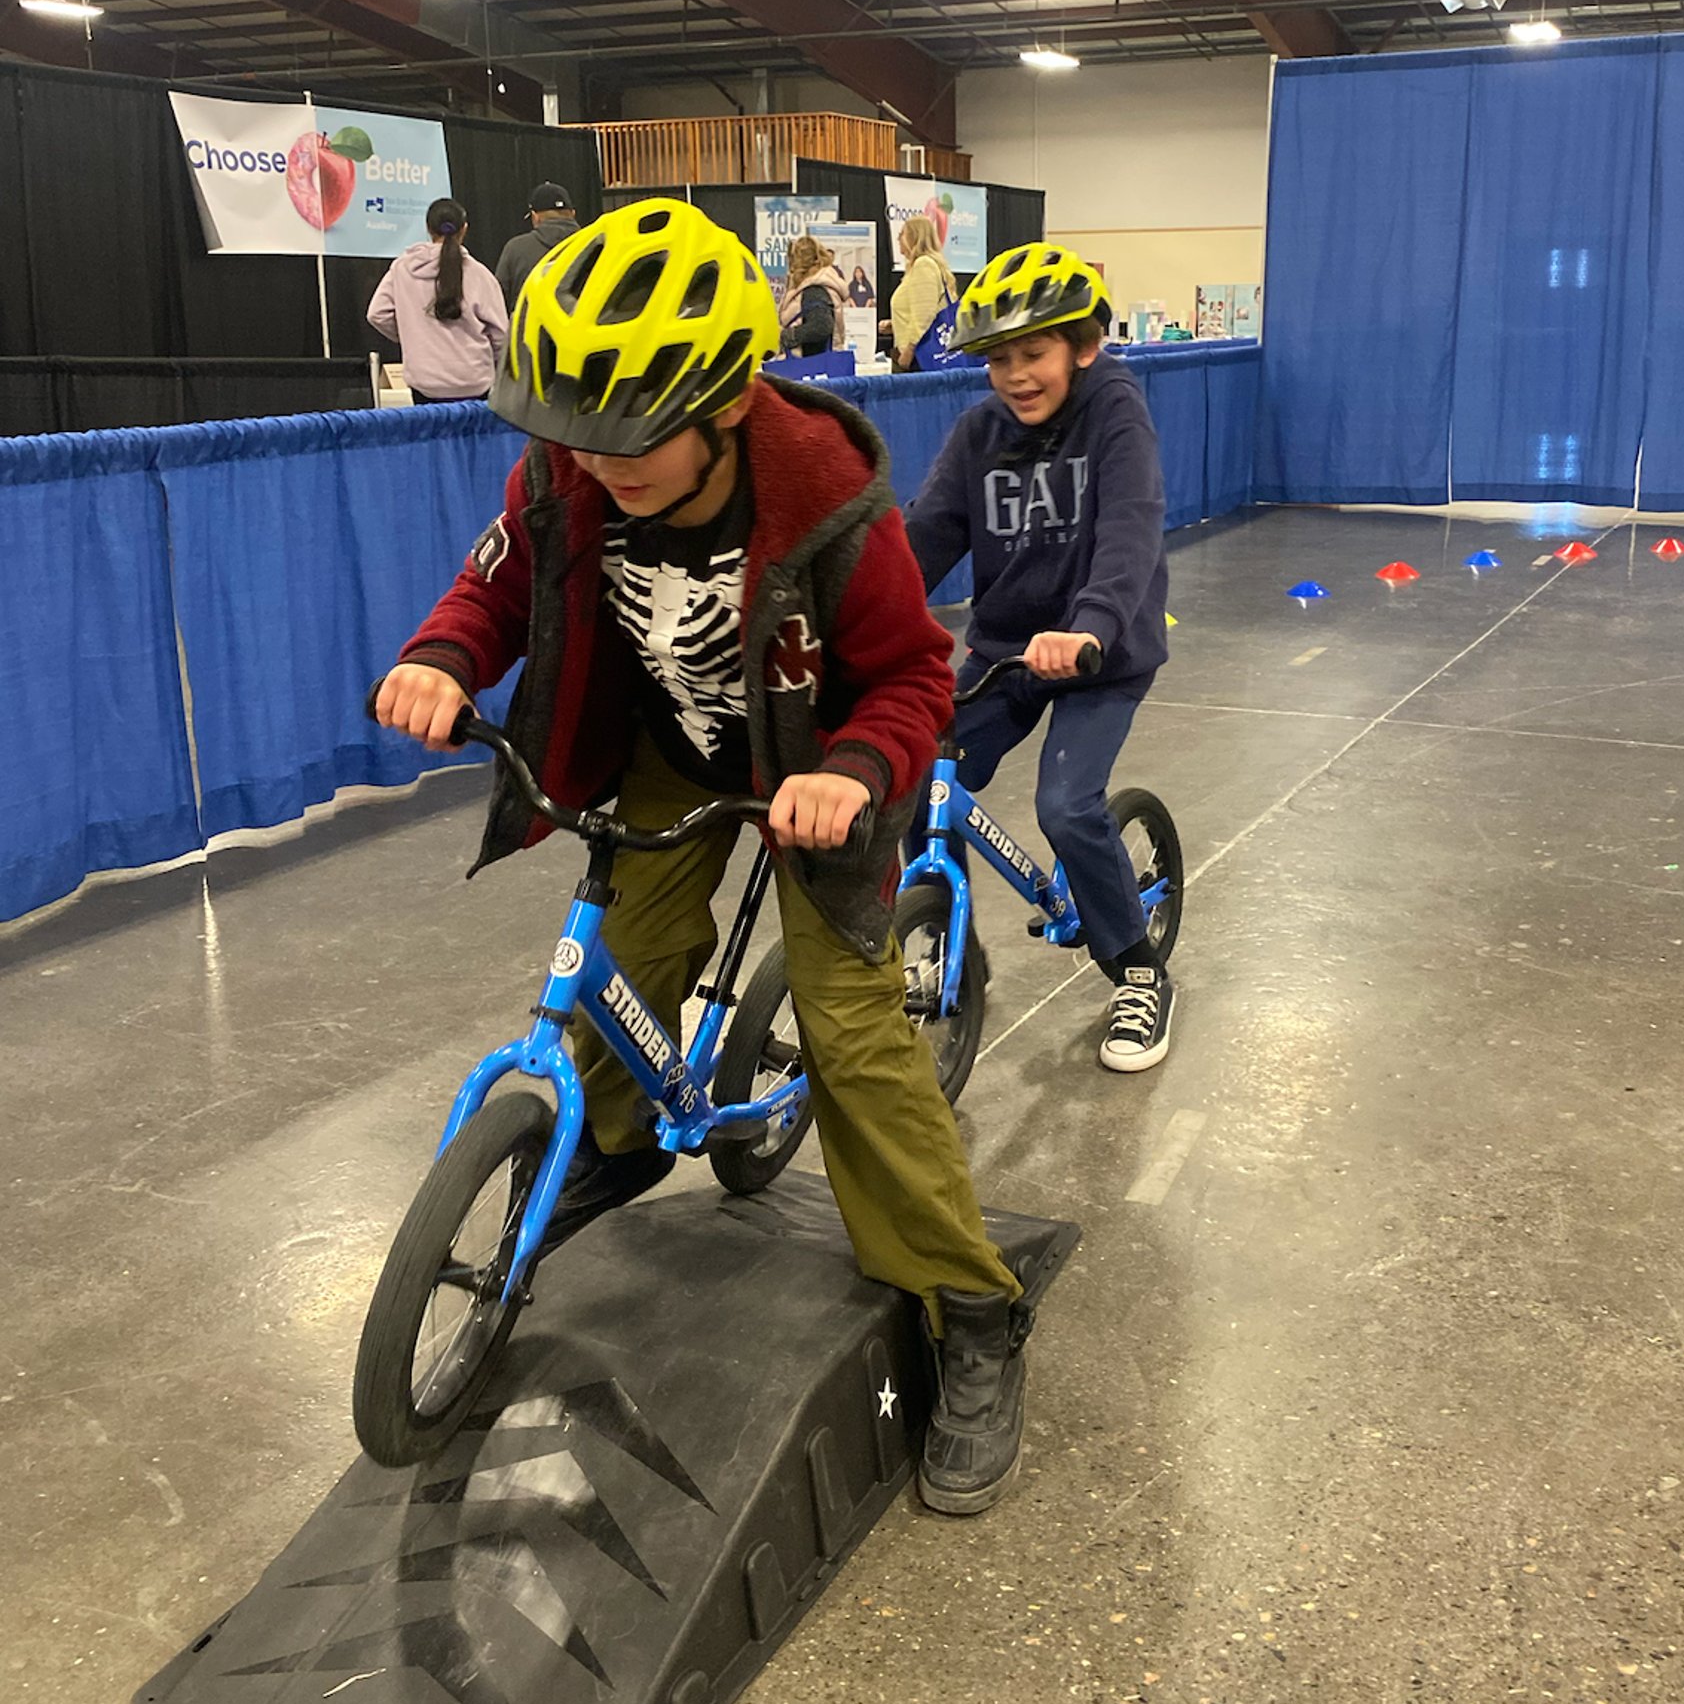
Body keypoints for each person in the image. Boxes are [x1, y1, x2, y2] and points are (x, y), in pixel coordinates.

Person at [372, 197, 1032, 1516]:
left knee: (852, 1034)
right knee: (630, 951)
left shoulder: (829, 498)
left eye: (632, 435)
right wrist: (442, 655)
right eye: (575, 430)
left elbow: (914, 675)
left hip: (822, 757)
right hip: (674, 741)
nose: (596, 459)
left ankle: (973, 1309)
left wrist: (853, 775)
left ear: (727, 402)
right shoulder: (571, 466)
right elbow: (497, 583)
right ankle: (616, 1144)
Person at [904, 243, 1175, 1075]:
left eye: (1034, 353)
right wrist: (856, 616)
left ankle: (1139, 970)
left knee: (1065, 804)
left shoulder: (1115, 412)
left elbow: (1129, 529)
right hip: (1007, 652)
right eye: (999, 360)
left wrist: (1090, 627)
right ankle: (943, 946)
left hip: (1100, 652)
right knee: (915, 776)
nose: (1016, 376)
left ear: (1082, 345)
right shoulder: (979, 432)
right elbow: (923, 536)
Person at [365, 197, 508, 402]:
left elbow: (377, 314)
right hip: (475, 384)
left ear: (428, 228)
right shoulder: (480, 275)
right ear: (464, 229)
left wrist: (411, 335)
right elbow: (501, 335)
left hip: (425, 385)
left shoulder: (402, 268)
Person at [888, 213, 958, 371]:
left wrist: (909, 350)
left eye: (902, 234)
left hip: (919, 357)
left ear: (914, 237)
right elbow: (922, 309)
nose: (898, 239)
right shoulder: (921, 266)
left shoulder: (923, 265)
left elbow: (924, 315)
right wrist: (894, 324)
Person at [495, 181, 579, 310]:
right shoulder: (597, 244)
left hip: (531, 322)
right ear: (573, 214)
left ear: (535, 217)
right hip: (585, 322)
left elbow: (498, 301)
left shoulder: (515, 249)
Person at [778, 234, 849, 357]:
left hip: (809, 363)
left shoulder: (814, 290)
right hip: (820, 362)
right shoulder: (821, 286)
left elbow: (821, 327)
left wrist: (785, 335)